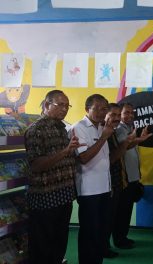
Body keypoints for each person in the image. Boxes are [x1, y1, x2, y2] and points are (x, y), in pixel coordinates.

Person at [24, 90, 81, 264]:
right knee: (42, 246)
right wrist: (65, 151)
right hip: (45, 198)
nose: (65, 109)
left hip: (64, 196)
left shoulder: (63, 128)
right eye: (60, 105)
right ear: (47, 105)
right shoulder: (35, 130)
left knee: (59, 242)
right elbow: (36, 165)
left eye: (67, 105)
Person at [71, 94, 114, 264]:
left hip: (104, 188)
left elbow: (104, 160)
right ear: (86, 109)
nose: (101, 112)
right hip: (89, 190)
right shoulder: (79, 127)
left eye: (104, 109)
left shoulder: (101, 127)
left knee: (100, 232)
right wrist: (104, 137)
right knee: (89, 232)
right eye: (96, 108)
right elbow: (84, 158)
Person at [113, 102, 152, 249]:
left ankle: (122, 236)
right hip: (124, 178)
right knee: (121, 211)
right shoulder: (118, 129)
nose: (129, 115)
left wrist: (137, 139)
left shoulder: (129, 128)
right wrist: (138, 140)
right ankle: (118, 239)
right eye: (126, 113)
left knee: (126, 209)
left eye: (132, 113)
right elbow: (125, 145)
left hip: (132, 177)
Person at [103, 103, 136, 258]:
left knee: (113, 216)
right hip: (104, 184)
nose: (116, 118)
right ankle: (105, 246)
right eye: (114, 115)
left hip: (118, 181)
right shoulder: (105, 132)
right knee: (107, 218)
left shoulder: (114, 132)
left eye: (118, 115)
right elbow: (110, 159)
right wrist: (129, 143)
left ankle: (111, 243)